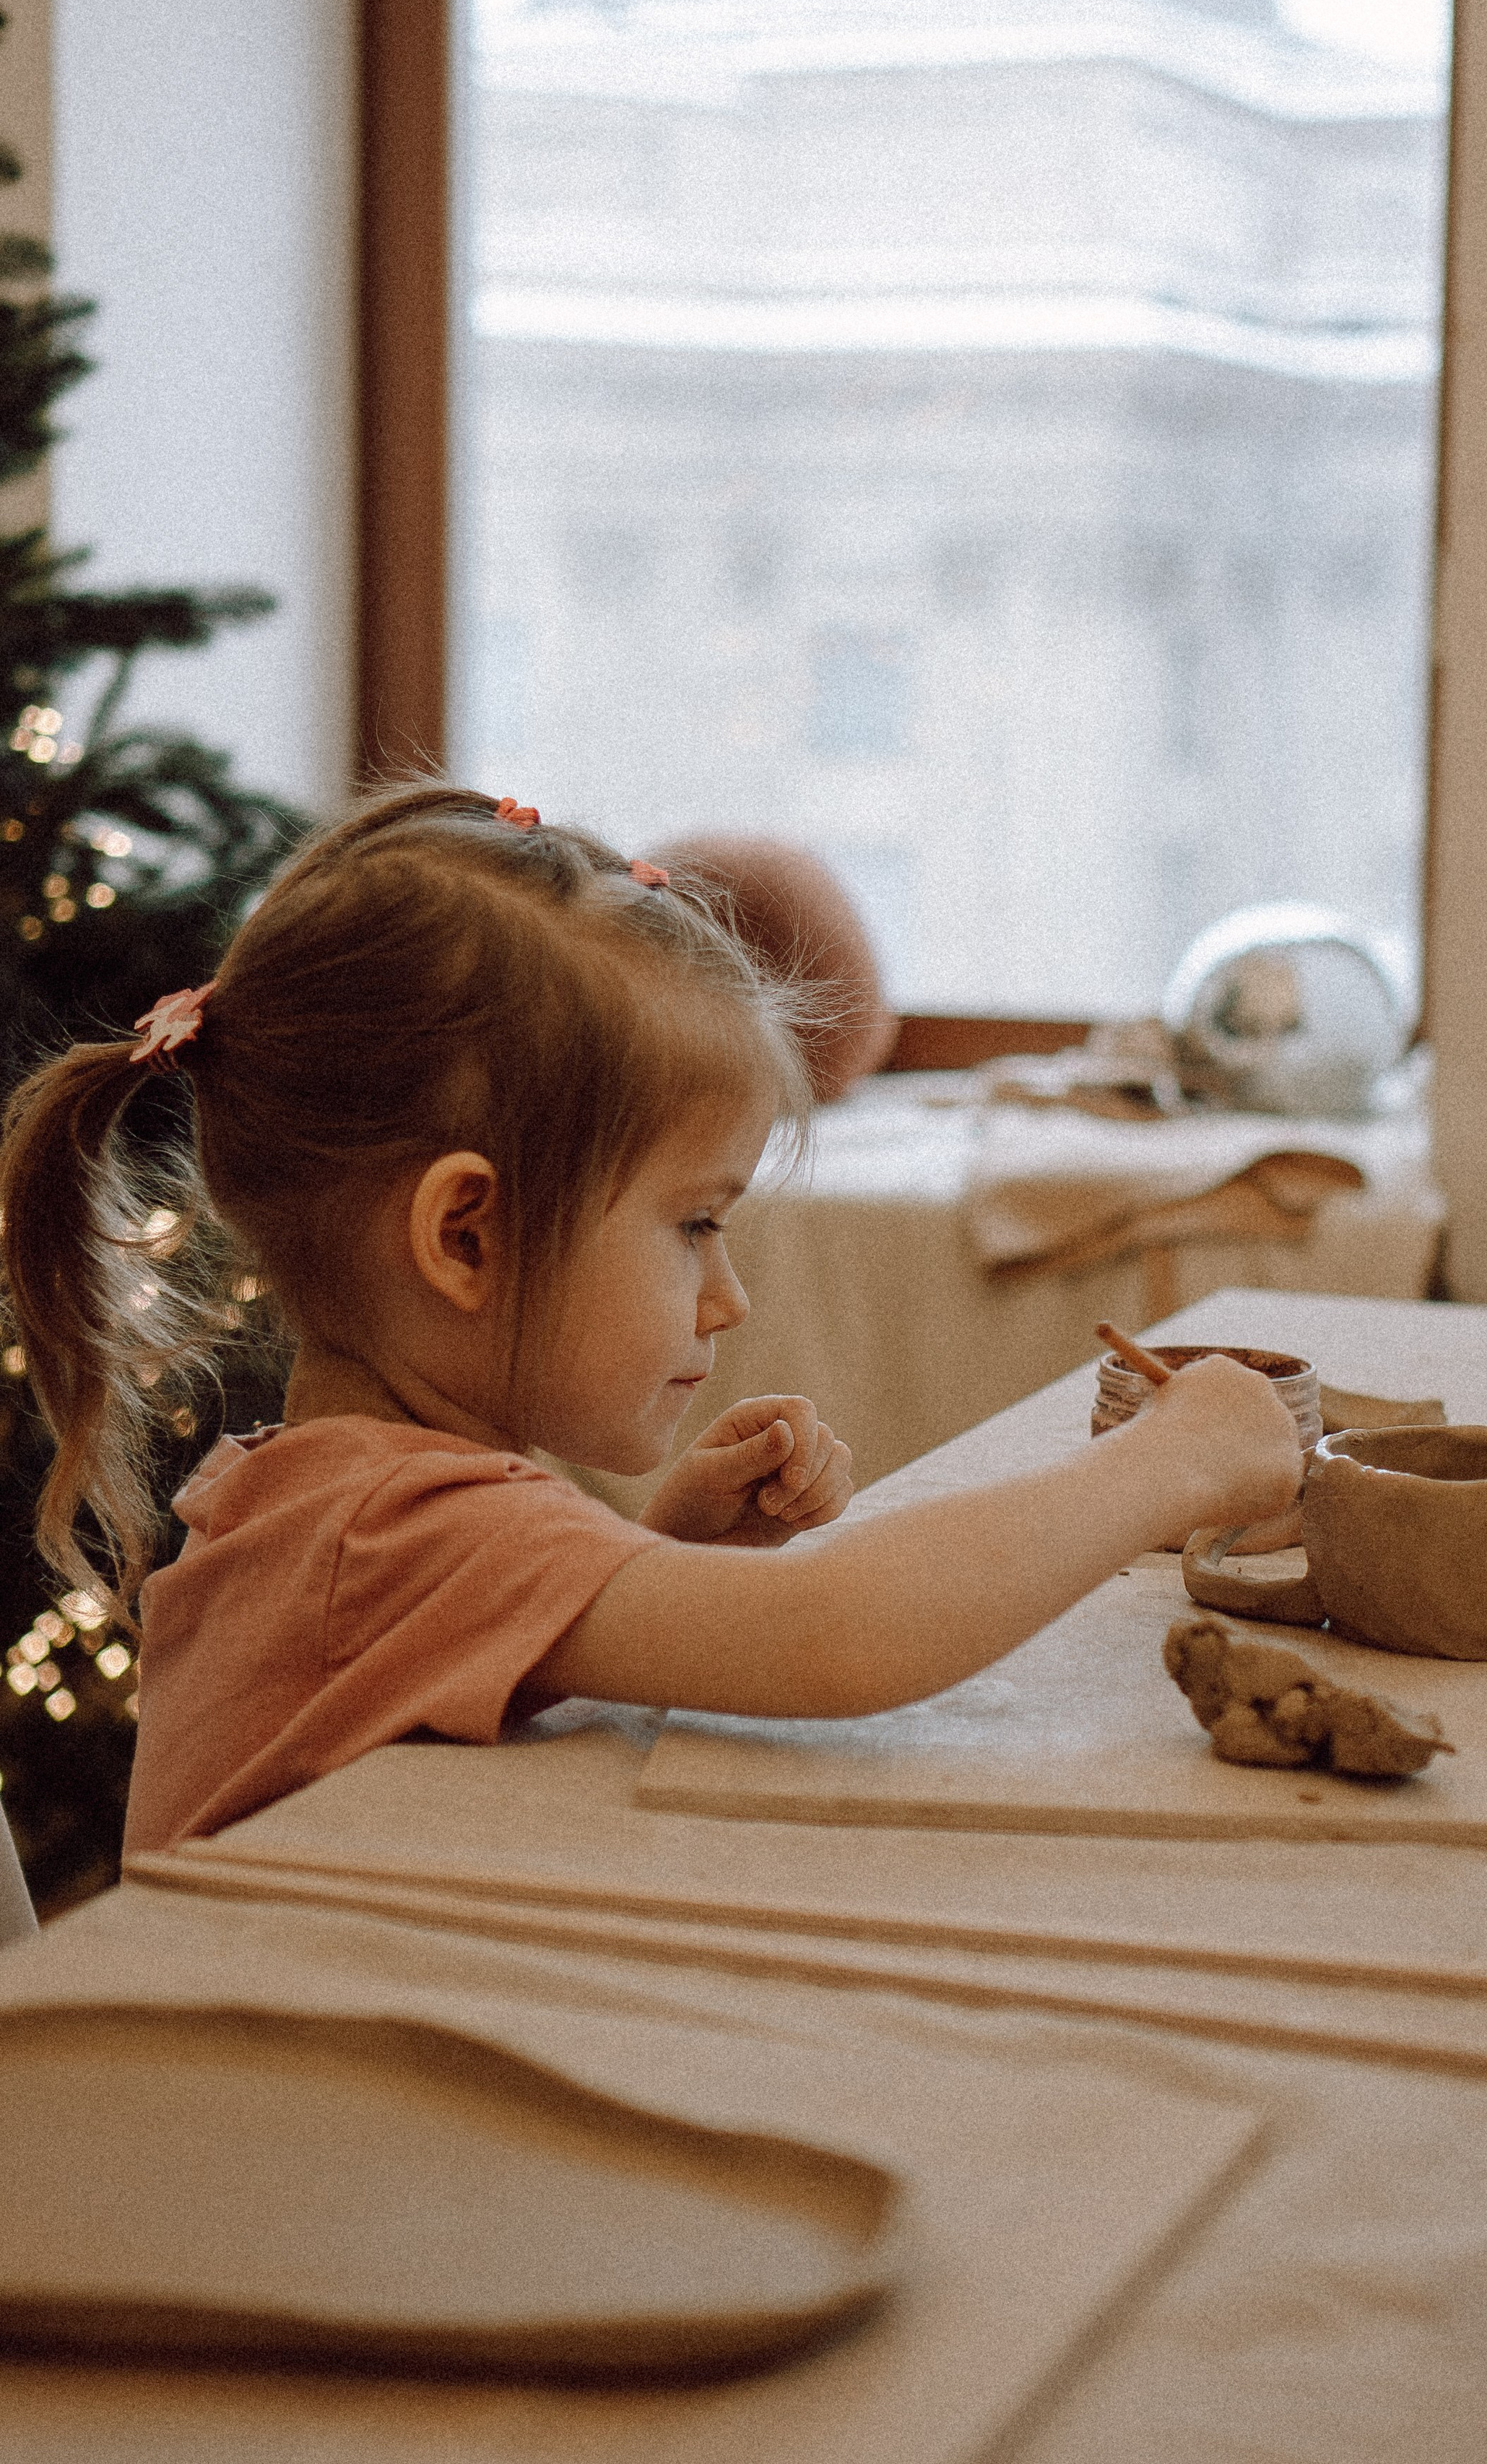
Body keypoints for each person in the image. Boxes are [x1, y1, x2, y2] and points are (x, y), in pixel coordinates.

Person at [0, 784, 1301, 1854]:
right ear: (467, 1237)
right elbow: (842, 1633)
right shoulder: (386, 1531)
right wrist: (1167, 1462)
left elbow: (455, 1688)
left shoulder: (340, 1503)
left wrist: (669, 1549)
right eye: (694, 1226)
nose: (728, 1298)